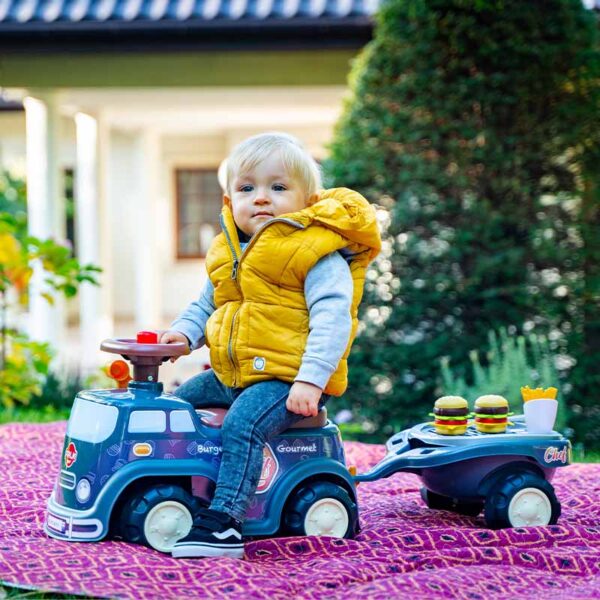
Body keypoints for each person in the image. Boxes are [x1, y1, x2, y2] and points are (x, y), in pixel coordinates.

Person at [160, 132, 381, 559]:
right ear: (229, 201)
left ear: (308, 199)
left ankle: (224, 521)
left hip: (287, 380)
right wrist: (183, 334)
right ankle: (181, 486)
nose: (261, 198)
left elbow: (333, 321)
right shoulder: (229, 251)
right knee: (176, 406)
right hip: (238, 374)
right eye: (247, 188)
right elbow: (207, 303)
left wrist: (310, 382)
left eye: (278, 188)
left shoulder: (316, 253)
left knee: (242, 424)